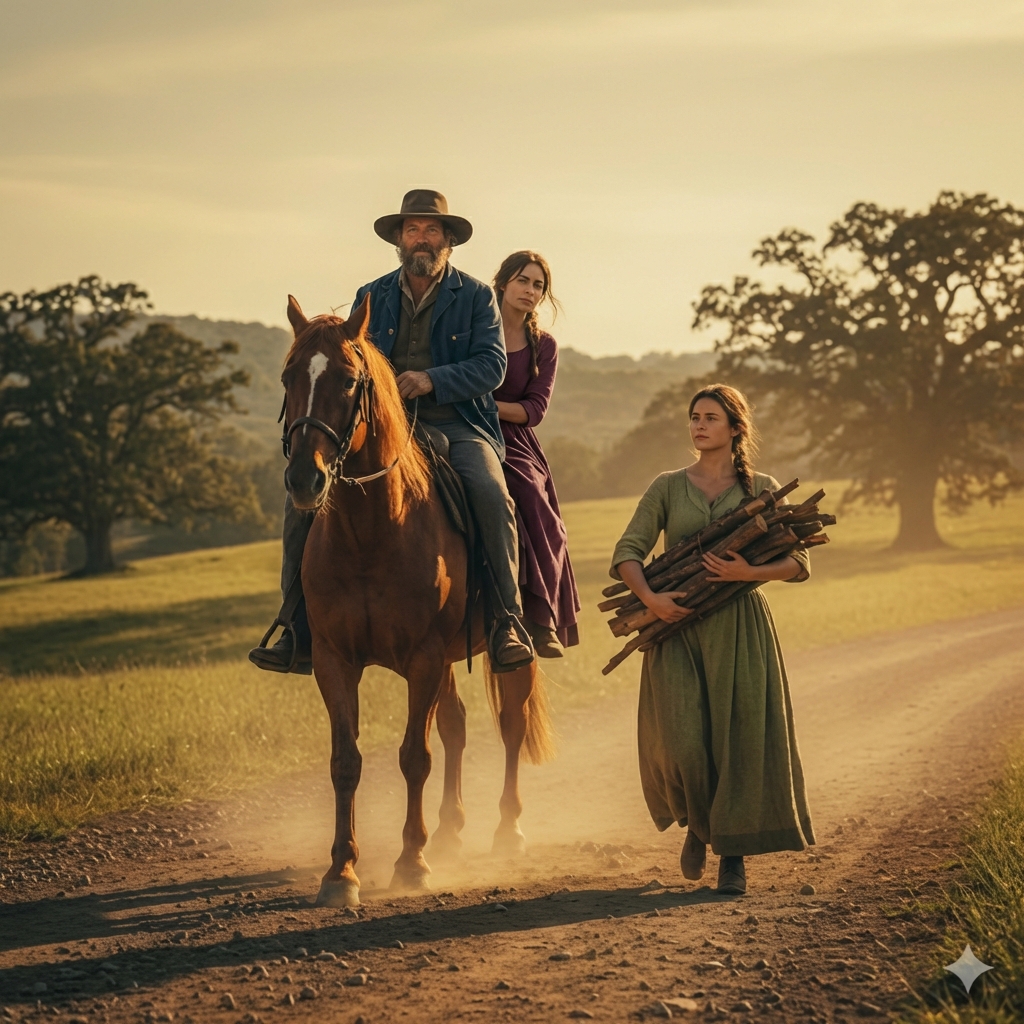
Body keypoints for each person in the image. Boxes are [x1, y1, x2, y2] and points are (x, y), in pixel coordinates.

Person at [250, 189, 534, 675]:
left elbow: (492, 365)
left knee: (491, 492)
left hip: (458, 424)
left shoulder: (475, 296)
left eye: (431, 230)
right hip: (383, 427)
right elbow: (350, 361)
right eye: (412, 230)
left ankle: (507, 619)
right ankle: (294, 625)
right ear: (399, 240)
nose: (421, 238)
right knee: (300, 503)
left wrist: (431, 379)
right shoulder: (372, 295)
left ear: (447, 240)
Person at [609, 384, 815, 895]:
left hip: (739, 628)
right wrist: (652, 600)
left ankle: (732, 857)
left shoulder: (762, 488)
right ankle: (699, 826)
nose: (699, 426)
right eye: (695, 417)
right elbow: (628, 552)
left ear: (735, 428)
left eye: (710, 418)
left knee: (735, 741)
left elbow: (799, 563)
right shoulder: (666, 486)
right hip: (674, 630)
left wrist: (750, 572)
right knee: (682, 742)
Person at [491, 251, 580, 658]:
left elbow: (534, 410)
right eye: (523, 281)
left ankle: (540, 618)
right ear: (503, 282)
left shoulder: (544, 345)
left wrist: (485, 405)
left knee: (531, 494)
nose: (530, 291)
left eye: (538, 285)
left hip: (514, 440)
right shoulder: (474, 330)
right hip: (463, 426)